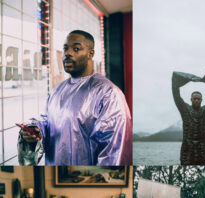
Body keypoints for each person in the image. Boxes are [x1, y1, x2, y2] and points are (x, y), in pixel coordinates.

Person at [18, 30, 132, 166]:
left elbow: (115, 151)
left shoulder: (108, 93)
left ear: (91, 54)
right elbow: (49, 123)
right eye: (65, 48)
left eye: (76, 49)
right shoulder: (57, 91)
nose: (68, 53)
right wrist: (35, 131)